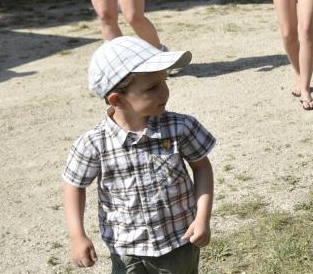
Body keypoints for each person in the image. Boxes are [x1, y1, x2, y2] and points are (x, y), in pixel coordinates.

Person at [63, 36, 215, 271]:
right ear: (117, 99)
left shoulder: (180, 127)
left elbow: (202, 166)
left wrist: (202, 218)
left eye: (164, 82)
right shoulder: (94, 143)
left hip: (179, 241)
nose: (164, 92)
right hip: (127, 250)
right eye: (152, 87)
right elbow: (74, 184)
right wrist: (77, 235)